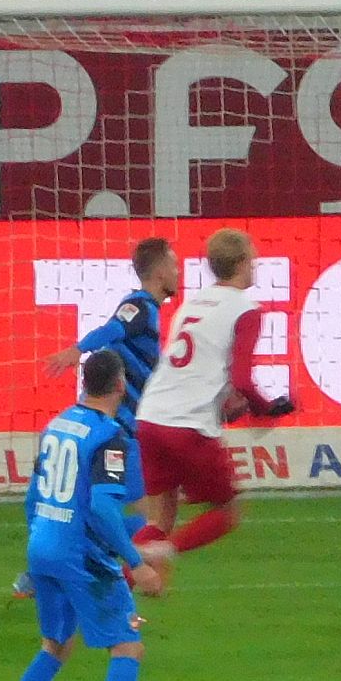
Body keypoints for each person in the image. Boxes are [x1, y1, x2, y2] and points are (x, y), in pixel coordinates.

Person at [0, 351, 175, 681]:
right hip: (81, 555)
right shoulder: (110, 436)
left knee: (55, 646)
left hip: (45, 544)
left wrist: (37, 557)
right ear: (120, 386)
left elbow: (34, 497)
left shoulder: (58, 425)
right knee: (127, 646)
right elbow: (100, 508)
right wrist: (138, 562)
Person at [14, 236, 179, 599]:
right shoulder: (139, 306)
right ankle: (131, 572)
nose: (179, 271)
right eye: (175, 264)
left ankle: (52, 571)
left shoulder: (150, 311)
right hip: (113, 431)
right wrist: (78, 349)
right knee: (129, 505)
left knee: (69, 497)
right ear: (160, 270)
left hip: (113, 427)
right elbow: (112, 330)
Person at [133, 229, 293, 561]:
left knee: (160, 520)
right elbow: (243, 380)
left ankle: (109, 593)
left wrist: (229, 409)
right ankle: (164, 552)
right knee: (226, 511)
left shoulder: (191, 303)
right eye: (253, 257)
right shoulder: (246, 309)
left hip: (150, 417)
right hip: (186, 426)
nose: (256, 264)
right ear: (242, 262)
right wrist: (266, 411)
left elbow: (193, 371)